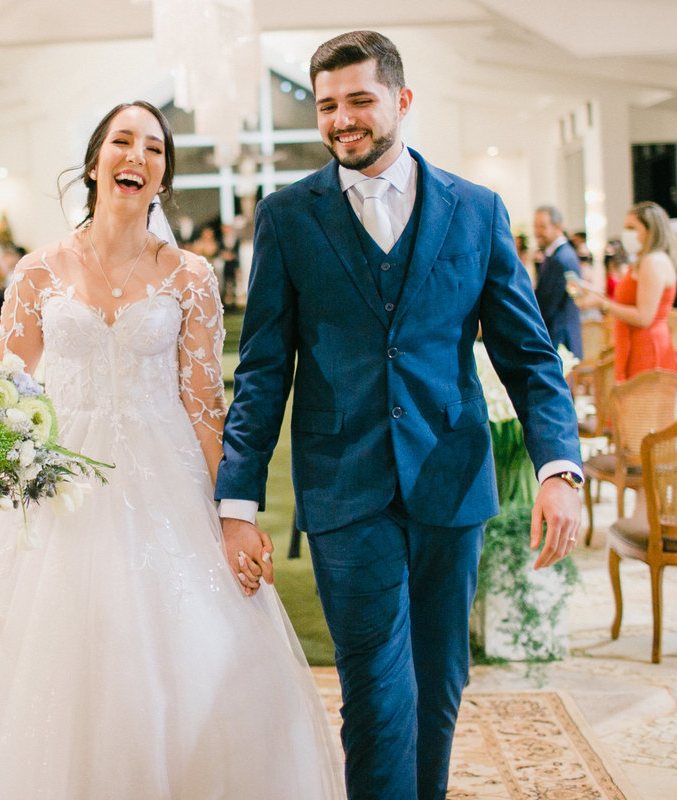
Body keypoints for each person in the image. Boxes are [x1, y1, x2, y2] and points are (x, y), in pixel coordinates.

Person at [0, 101, 345, 800]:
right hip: (59, 484)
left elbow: (206, 407)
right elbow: (3, 391)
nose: (137, 156)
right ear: (94, 163)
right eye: (122, 141)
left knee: (183, 657)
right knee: (56, 661)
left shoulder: (191, 276)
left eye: (154, 147)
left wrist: (234, 514)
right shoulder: (36, 272)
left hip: (164, 474)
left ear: (163, 176)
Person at [214, 31, 583, 800]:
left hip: (451, 482)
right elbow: (262, 370)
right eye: (326, 106)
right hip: (345, 487)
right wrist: (237, 502)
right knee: (378, 691)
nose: (340, 119)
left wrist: (559, 467)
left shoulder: (476, 211)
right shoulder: (287, 216)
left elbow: (528, 355)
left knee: (439, 680)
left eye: (358, 100)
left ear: (401, 101)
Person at [573, 201, 677, 382]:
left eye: (632, 228)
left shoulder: (653, 262)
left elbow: (644, 317)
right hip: (637, 343)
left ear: (650, 230)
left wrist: (603, 304)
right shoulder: (643, 260)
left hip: (647, 347)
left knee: (643, 407)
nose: (626, 234)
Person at [532, 205, 584, 359]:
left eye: (542, 226)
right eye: (535, 226)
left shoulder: (561, 259)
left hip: (560, 339)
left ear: (558, 227)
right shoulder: (559, 255)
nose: (537, 232)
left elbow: (547, 305)